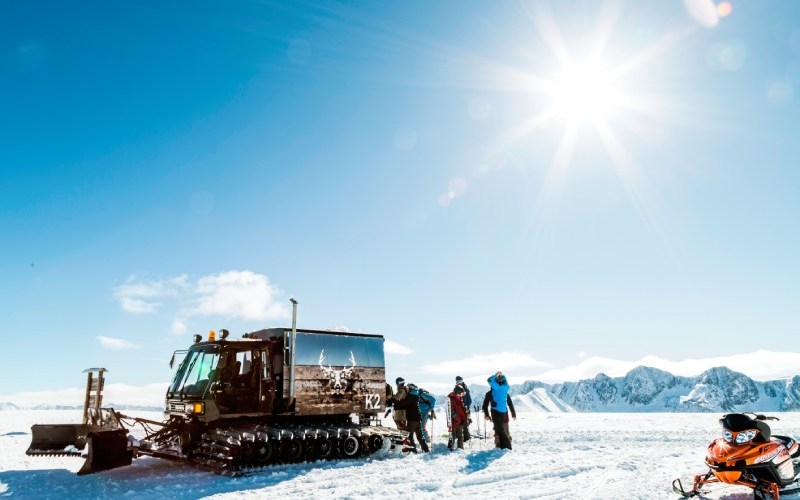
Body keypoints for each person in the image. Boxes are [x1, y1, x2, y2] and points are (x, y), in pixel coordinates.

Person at [393, 381, 429, 452]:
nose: (408, 389)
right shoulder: (415, 396)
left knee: (407, 434)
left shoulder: (411, 397)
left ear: (411, 389)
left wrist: (394, 402)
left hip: (412, 420)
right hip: (417, 419)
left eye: (409, 388)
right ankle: (426, 449)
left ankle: (413, 450)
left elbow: (403, 404)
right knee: (419, 436)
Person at [487, 371, 512, 450]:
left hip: (496, 410)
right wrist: (502, 376)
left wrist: (496, 374)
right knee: (499, 429)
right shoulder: (506, 387)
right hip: (503, 410)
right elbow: (504, 381)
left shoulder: (497, 387)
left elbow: (489, 380)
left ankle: (506, 446)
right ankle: (504, 446)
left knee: (499, 430)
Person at [447, 386, 469, 450]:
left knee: (459, 435)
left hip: (459, 420)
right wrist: (458, 418)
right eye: (461, 393)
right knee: (453, 435)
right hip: (455, 420)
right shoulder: (452, 398)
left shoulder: (457, 397)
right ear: (458, 391)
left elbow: (460, 408)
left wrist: (465, 413)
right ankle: (451, 448)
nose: (462, 395)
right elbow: (451, 410)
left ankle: (460, 448)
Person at [454, 376, 472, 441]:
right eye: (457, 381)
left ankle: (466, 437)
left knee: (464, 423)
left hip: (465, 409)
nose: (459, 382)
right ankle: (457, 435)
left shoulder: (465, 389)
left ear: (462, 381)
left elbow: (469, 400)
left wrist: (466, 406)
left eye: (460, 381)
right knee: (458, 422)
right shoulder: (455, 389)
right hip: (458, 409)